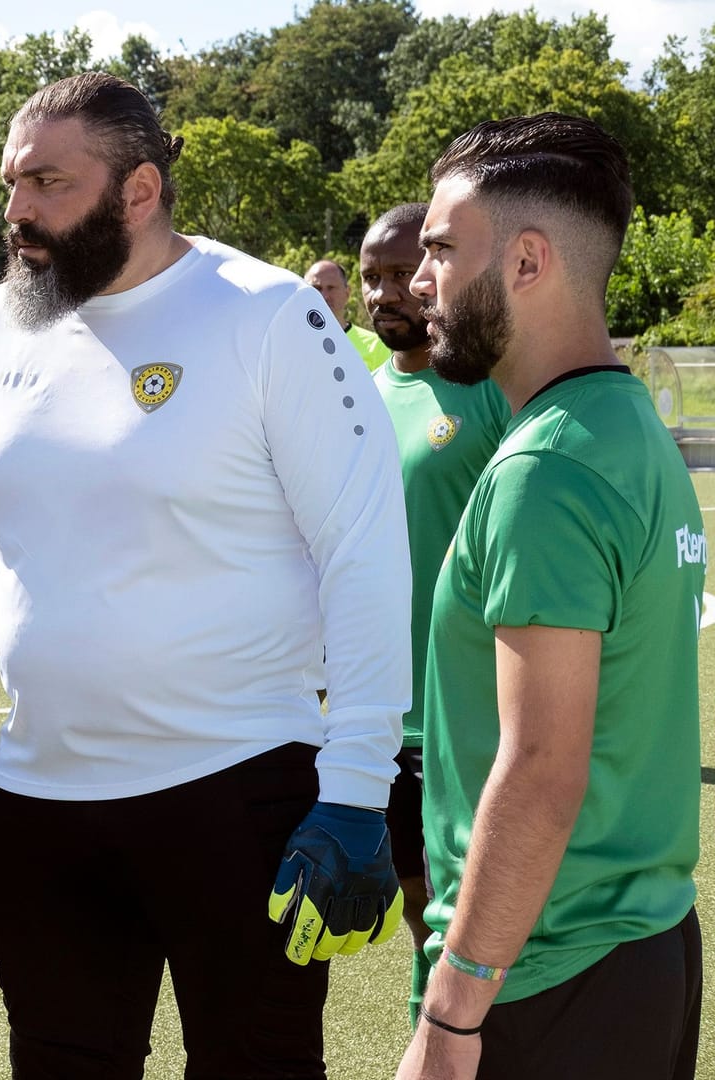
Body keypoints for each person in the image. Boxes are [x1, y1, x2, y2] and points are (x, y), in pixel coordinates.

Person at [0, 73, 411, 1078]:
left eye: (46, 181)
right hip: (44, 809)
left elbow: (363, 552)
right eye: (11, 184)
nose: (15, 212)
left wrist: (354, 789)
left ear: (139, 189)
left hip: (242, 796)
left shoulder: (269, 316)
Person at [396, 113, 703, 1080]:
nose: (417, 279)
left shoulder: (548, 468)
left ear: (527, 262)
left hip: (545, 975)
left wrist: (450, 1014)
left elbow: (540, 768)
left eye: (442, 250)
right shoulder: (628, 426)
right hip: (637, 946)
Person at [361, 202, 510, 1030]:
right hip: (377, 718)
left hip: (467, 716)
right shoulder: (358, 396)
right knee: (420, 916)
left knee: (477, 919)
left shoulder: (488, 394)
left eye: (402, 273)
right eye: (372, 277)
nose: (388, 294)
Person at [308, 258, 391, 370]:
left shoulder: (375, 345)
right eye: (317, 288)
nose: (324, 296)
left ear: (347, 293)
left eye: (331, 288)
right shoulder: (292, 343)